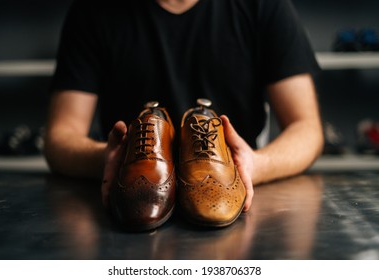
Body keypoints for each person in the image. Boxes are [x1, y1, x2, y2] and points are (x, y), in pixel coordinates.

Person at [44, 0, 324, 213]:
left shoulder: (263, 5)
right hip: (132, 186)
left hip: (229, 188)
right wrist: (108, 158)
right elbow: (60, 136)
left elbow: (306, 128)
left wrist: (253, 166)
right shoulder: (93, 9)